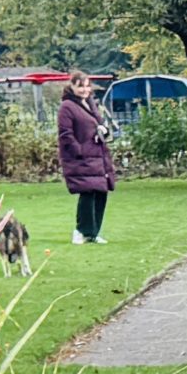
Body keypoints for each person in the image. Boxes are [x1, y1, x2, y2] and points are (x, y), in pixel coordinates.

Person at [55, 73, 116, 245]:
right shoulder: (67, 107)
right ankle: (81, 231)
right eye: (80, 86)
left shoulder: (90, 104)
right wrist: (79, 151)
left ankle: (93, 233)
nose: (85, 90)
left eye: (87, 86)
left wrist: (103, 130)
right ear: (72, 87)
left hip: (98, 156)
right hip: (81, 158)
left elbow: (100, 124)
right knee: (88, 193)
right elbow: (65, 134)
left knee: (100, 193)